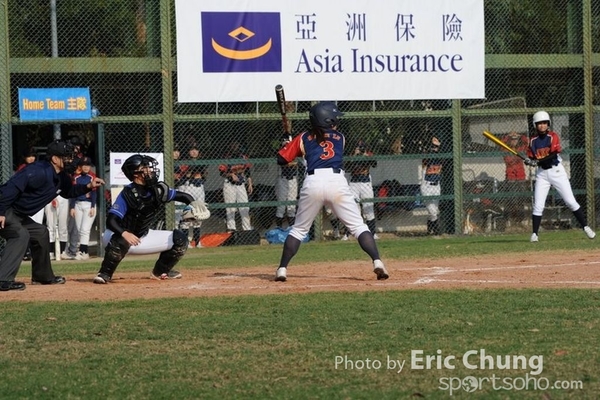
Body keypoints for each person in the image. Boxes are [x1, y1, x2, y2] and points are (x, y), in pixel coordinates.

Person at [274, 102, 389, 282]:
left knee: (298, 230)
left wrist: (287, 145)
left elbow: (282, 159)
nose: (336, 122)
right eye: (334, 119)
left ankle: (282, 269)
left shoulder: (303, 137)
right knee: (358, 227)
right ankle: (377, 261)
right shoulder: (340, 138)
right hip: (336, 183)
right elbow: (320, 145)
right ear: (327, 120)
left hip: (313, 183)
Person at [0, 140, 105, 291]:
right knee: (20, 234)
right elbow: (10, 188)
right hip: (5, 208)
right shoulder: (38, 171)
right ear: (55, 159)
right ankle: (3, 279)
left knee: (40, 232)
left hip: (16, 213)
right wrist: (1, 211)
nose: (71, 160)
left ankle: (42, 276)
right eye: (67, 156)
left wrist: (88, 186)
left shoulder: (61, 176)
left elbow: (69, 192)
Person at [93, 154, 205, 284]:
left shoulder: (157, 190)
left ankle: (160, 272)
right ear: (136, 174)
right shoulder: (128, 194)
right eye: (145, 168)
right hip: (115, 237)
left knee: (180, 239)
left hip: (142, 237)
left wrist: (193, 204)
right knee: (121, 239)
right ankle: (105, 273)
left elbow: (183, 196)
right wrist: (125, 233)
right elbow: (111, 221)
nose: (150, 170)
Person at [525, 111, 595, 242]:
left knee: (570, 201)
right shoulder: (533, 141)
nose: (542, 125)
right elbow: (532, 157)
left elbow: (553, 154)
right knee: (538, 205)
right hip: (542, 174)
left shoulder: (553, 136)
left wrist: (537, 161)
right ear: (535, 125)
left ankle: (586, 227)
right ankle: (534, 234)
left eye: (544, 123)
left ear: (548, 124)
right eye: (539, 123)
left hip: (556, 172)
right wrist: (529, 161)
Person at [343, 139, 379, 240]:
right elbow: (347, 167)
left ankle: (372, 233)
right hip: (354, 182)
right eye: (358, 147)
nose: (360, 148)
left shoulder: (368, 154)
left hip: (365, 182)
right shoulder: (352, 155)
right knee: (353, 208)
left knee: (368, 207)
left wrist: (366, 156)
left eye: (361, 147)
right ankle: (348, 233)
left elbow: (374, 164)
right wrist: (354, 155)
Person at [218, 141, 253, 232]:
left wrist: (250, 183)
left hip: (241, 184)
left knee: (244, 206)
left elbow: (247, 171)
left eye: (236, 144)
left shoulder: (243, 157)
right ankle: (231, 229)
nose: (235, 146)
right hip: (229, 184)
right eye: (233, 144)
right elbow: (221, 173)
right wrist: (231, 174)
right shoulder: (226, 158)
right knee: (230, 208)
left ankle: (247, 229)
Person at [178, 144, 208, 248]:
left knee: (199, 214)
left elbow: (204, 175)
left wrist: (201, 172)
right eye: (192, 150)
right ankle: (186, 242)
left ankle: (197, 242)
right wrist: (191, 170)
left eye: (196, 150)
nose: (194, 152)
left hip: (199, 187)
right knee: (187, 214)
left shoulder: (202, 161)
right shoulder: (184, 162)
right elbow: (185, 175)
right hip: (189, 187)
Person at [70, 156, 98, 260]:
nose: (86, 167)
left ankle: (84, 252)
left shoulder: (92, 177)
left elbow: (94, 193)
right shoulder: (76, 177)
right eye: (84, 165)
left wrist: (93, 206)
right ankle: (82, 251)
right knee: (79, 229)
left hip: (88, 205)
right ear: (80, 166)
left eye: (88, 165)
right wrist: (72, 207)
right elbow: (73, 193)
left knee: (85, 229)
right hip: (78, 204)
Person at [502, 131, 529, 224]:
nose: (514, 141)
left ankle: (520, 219)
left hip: (521, 176)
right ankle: (509, 218)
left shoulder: (521, 149)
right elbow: (501, 144)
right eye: (512, 140)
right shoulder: (506, 149)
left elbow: (527, 143)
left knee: (521, 199)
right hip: (511, 177)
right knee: (511, 199)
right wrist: (508, 136)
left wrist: (520, 135)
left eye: (516, 140)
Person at [274, 134, 298, 229]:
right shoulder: (281, 151)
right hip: (282, 179)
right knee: (281, 206)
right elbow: (282, 162)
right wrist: (292, 163)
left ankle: (292, 229)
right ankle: (278, 229)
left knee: (291, 207)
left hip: (293, 179)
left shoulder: (295, 150)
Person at [420, 137, 443, 235]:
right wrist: (430, 148)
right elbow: (425, 160)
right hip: (427, 186)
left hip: (437, 186)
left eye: (436, 146)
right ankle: (437, 230)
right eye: (433, 146)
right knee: (433, 211)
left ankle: (429, 229)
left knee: (434, 211)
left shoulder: (440, 157)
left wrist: (438, 146)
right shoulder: (427, 157)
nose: (434, 148)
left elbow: (441, 155)